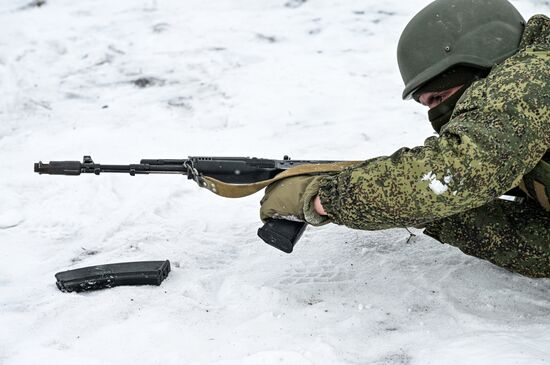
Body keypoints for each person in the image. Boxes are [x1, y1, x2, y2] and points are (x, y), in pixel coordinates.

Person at [259, 0, 550, 277]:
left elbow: (455, 173)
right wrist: (424, 208)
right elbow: (538, 247)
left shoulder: (531, 77)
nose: (438, 115)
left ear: (483, 63)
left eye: (440, 96)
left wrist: (325, 198)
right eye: (427, 104)